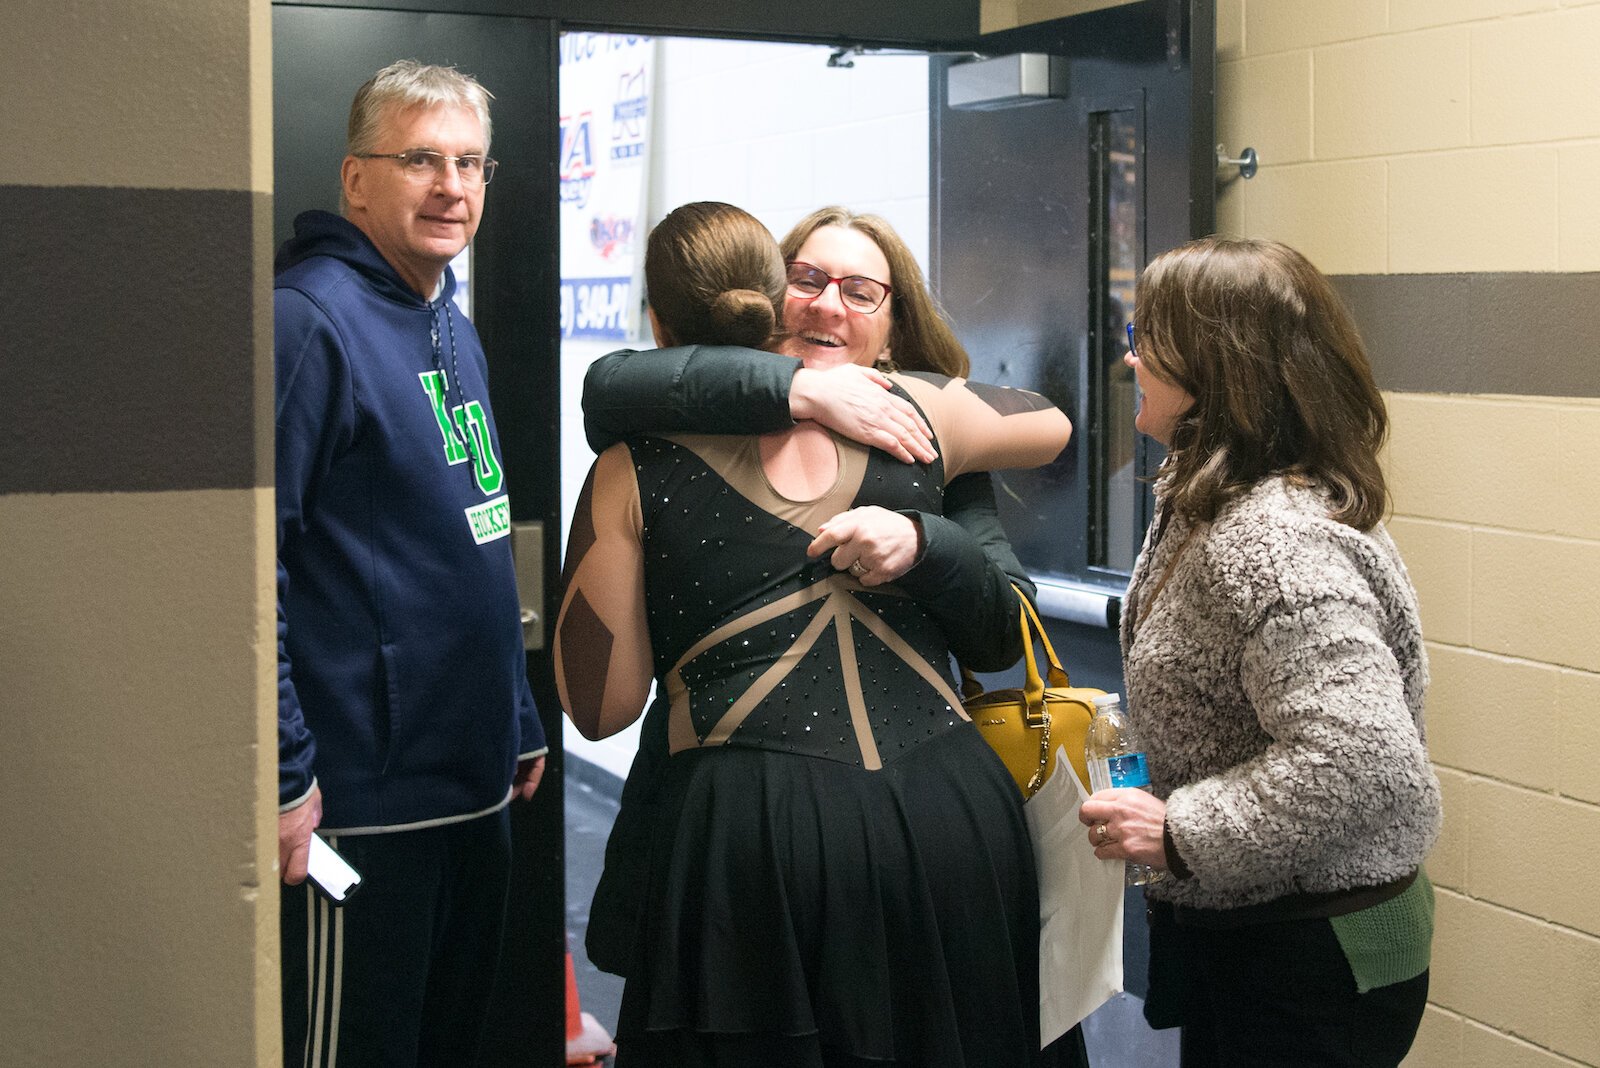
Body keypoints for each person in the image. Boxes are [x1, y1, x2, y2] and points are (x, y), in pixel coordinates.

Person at [555, 201, 1079, 1067]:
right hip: (917, 824)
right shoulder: (930, 420)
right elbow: (610, 383)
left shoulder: (915, 428)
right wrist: (803, 390)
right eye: (809, 279)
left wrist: (925, 542)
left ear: (894, 324)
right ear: (769, 295)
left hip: (775, 838)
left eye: (861, 290)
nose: (830, 303)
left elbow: (599, 707)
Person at [1078, 237, 1443, 1067]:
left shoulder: (1272, 541)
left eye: (1147, 335)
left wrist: (1180, 828)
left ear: (1213, 366)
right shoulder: (1214, 497)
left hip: (1314, 954)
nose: (1129, 356)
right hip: (1264, 929)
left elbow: (1363, 759)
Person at [274, 59, 546, 1067]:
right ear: (355, 179)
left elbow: (471, 527)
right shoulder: (309, 322)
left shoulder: (441, 314)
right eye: (421, 159)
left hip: (470, 786)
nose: (452, 187)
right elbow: (251, 569)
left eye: (470, 162)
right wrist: (286, 774)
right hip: (366, 807)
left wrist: (514, 709)